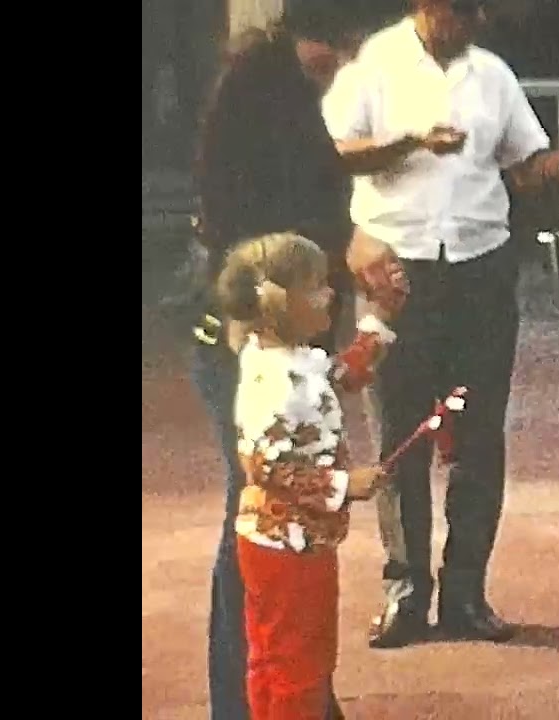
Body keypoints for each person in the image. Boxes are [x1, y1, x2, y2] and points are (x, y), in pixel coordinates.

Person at [323, 0, 559, 647]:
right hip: (397, 266)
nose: (469, 23)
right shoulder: (376, 62)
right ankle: (406, 590)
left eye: (475, 12)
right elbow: (335, 150)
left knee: (479, 432)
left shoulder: (492, 73)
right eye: (458, 11)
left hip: (479, 265)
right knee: (399, 432)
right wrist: (411, 141)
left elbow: (523, 167)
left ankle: (466, 590)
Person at [190, 3, 365, 717]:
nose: (338, 68)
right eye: (333, 53)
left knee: (257, 532)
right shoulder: (264, 95)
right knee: (259, 529)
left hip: (256, 332)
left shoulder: (274, 95)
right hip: (243, 341)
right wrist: (343, 485)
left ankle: (267, 699)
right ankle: (250, 703)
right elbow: (279, 472)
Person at [216, 231, 404, 720]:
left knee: (275, 659)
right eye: (317, 286)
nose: (330, 294)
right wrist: (343, 485)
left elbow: (343, 376)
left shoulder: (290, 358)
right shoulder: (273, 381)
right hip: (288, 546)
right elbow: (263, 465)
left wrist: (379, 318)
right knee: (299, 664)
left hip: (291, 540)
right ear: (282, 304)